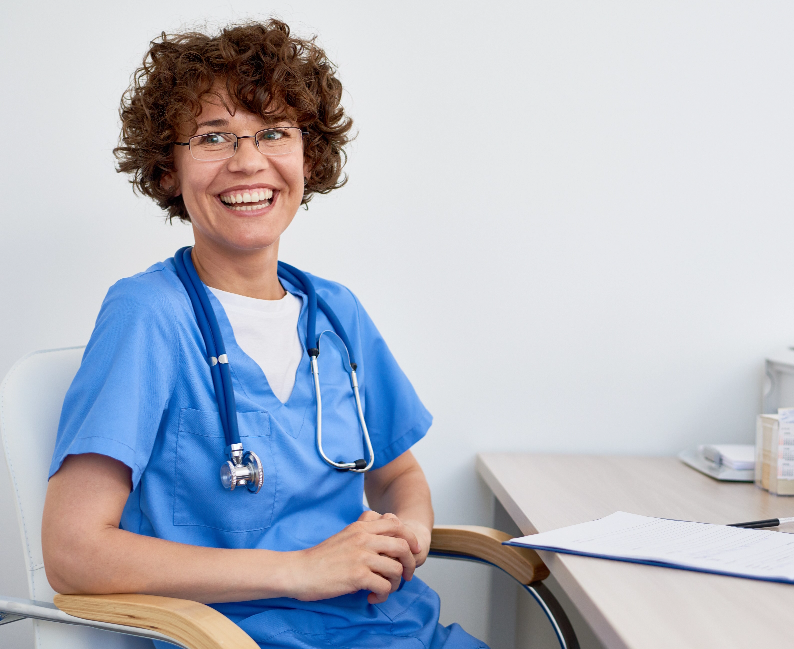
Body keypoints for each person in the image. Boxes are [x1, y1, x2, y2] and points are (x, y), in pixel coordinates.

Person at [41, 19, 487, 649]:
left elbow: (397, 476)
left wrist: (406, 534)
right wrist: (302, 570)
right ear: (167, 169)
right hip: (238, 639)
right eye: (213, 137)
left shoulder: (335, 312)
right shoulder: (147, 316)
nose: (248, 161)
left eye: (274, 132)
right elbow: (73, 551)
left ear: (310, 155)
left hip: (395, 630)